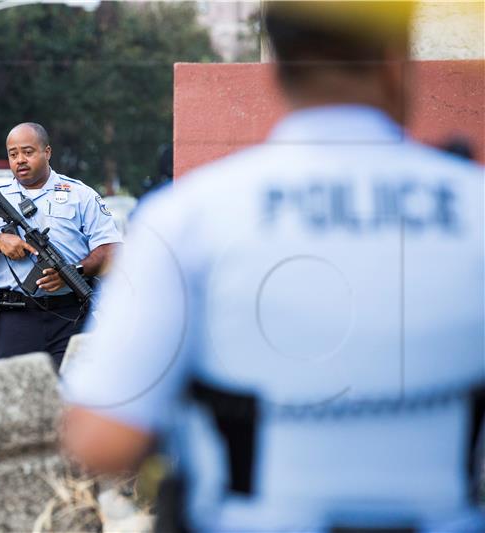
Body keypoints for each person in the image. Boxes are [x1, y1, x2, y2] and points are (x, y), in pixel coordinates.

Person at [62, 2, 485, 532]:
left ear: (277, 65)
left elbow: (101, 438)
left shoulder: (187, 217)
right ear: (395, 58)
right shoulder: (475, 206)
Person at [0, 122, 121, 367]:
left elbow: (111, 251)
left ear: (47, 152)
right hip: (15, 317)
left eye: (28, 152)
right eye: (13, 154)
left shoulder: (80, 195)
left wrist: (72, 272)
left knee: (73, 396)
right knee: (16, 397)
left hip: (70, 315)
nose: (20, 160)